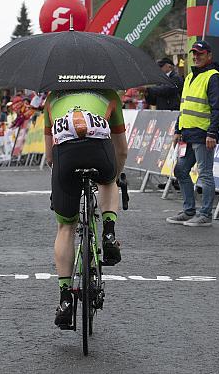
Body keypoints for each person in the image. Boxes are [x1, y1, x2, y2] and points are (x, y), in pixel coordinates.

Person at [44, 89, 128, 328]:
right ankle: (109, 232)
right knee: (108, 180)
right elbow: (121, 150)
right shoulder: (109, 93)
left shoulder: (52, 98)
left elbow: (50, 156)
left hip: (66, 157)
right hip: (99, 153)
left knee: (65, 227)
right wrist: (115, 174)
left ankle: (65, 300)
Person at [167, 40, 219, 227]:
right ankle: (189, 211)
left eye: (200, 54)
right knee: (181, 170)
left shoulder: (213, 77)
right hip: (188, 134)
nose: (196, 56)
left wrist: (212, 133)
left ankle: (205, 214)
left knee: (205, 174)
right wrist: (178, 129)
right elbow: (184, 106)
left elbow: (217, 108)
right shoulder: (191, 76)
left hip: (203, 134)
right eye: (194, 53)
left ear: (209, 55)